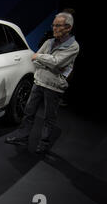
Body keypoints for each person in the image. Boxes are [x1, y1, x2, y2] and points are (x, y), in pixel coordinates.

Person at [5, 12, 80, 154]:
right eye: (54, 25)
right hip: (39, 81)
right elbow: (35, 59)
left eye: (58, 26)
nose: (54, 28)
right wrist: (50, 62)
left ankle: (44, 143)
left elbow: (56, 61)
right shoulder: (49, 42)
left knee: (49, 117)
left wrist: (43, 58)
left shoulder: (73, 46)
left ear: (68, 27)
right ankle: (22, 136)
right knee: (29, 112)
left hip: (54, 86)